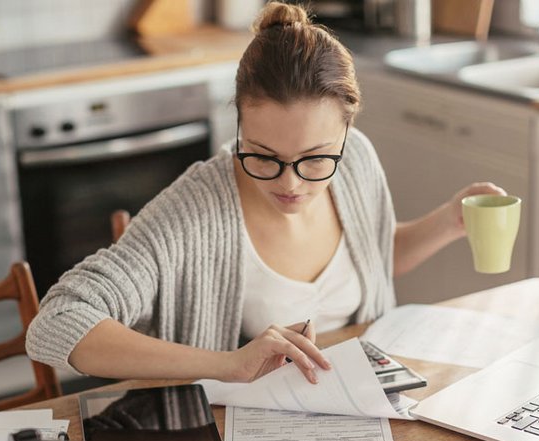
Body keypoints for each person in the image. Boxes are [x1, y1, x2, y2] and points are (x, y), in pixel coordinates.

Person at [26, 2, 505, 385]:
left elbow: (374, 255)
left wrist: (447, 221)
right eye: (262, 154)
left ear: (347, 130)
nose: (289, 183)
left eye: (316, 158)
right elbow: (57, 324)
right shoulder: (195, 211)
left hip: (360, 408)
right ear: (238, 122)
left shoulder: (356, 159)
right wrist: (228, 364)